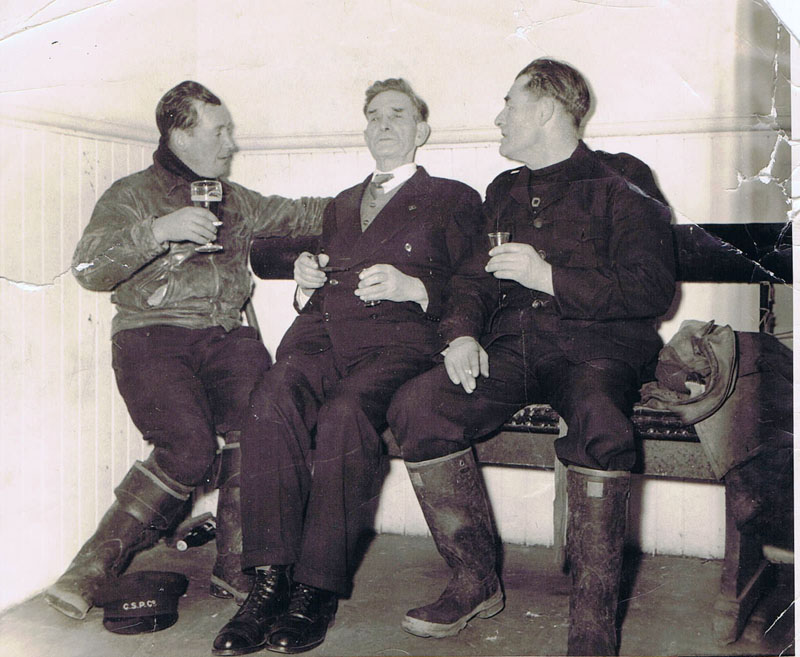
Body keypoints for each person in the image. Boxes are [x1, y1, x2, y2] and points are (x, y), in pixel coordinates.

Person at [386, 58, 676, 656]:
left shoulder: (620, 179)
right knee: (418, 406)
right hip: (512, 347)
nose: (498, 118)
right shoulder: (504, 190)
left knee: (599, 419)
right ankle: (474, 580)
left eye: (509, 105)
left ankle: (593, 621)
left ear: (545, 110)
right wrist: (461, 335)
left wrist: (549, 275)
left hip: (596, 346)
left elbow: (652, 287)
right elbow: (472, 280)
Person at [211, 78, 483, 656]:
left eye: (398, 115)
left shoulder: (453, 197)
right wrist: (306, 281)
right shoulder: (340, 203)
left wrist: (414, 286)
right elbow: (327, 280)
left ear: (421, 131)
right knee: (271, 393)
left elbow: (470, 282)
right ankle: (268, 581)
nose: (384, 125)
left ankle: (315, 587)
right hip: (326, 337)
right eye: (374, 116)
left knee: (345, 415)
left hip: (398, 345)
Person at [45, 80, 329, 621]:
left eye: (229, 131)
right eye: (219, 131)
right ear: (179, 134)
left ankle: (239, 563)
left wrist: (378, 199)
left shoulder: (236, 198)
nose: (230, 143)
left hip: (227, 336)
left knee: (263, 424)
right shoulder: (131, 193)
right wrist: (158, 230)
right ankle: (91, 568)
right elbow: (88, 269)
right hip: (152, 337)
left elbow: (300, 213)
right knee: (190, 448)